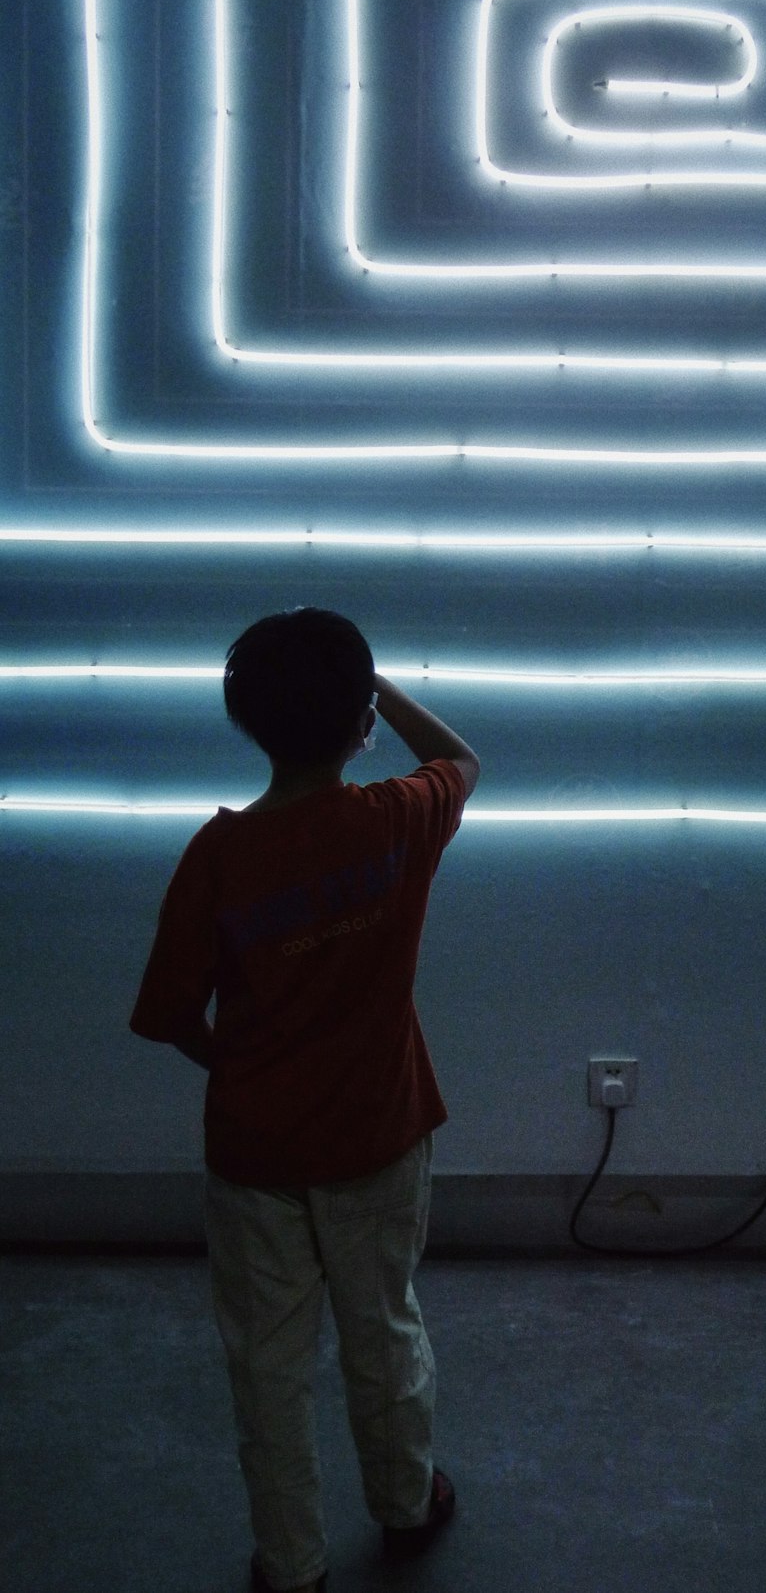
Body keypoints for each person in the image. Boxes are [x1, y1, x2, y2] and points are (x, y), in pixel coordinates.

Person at [129, 607, 480, 1593]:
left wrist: (236, 1062)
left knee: (268, 1365)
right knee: (385, 1330)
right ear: (360, 720)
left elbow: (163, 1012)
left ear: (246, 721)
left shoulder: (220, 854)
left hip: (255, 1150)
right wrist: (381, 693)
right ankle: (406, 1505)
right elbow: (462, 759)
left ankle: (290, 1561)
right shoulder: (395, 818)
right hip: (379, 1129)